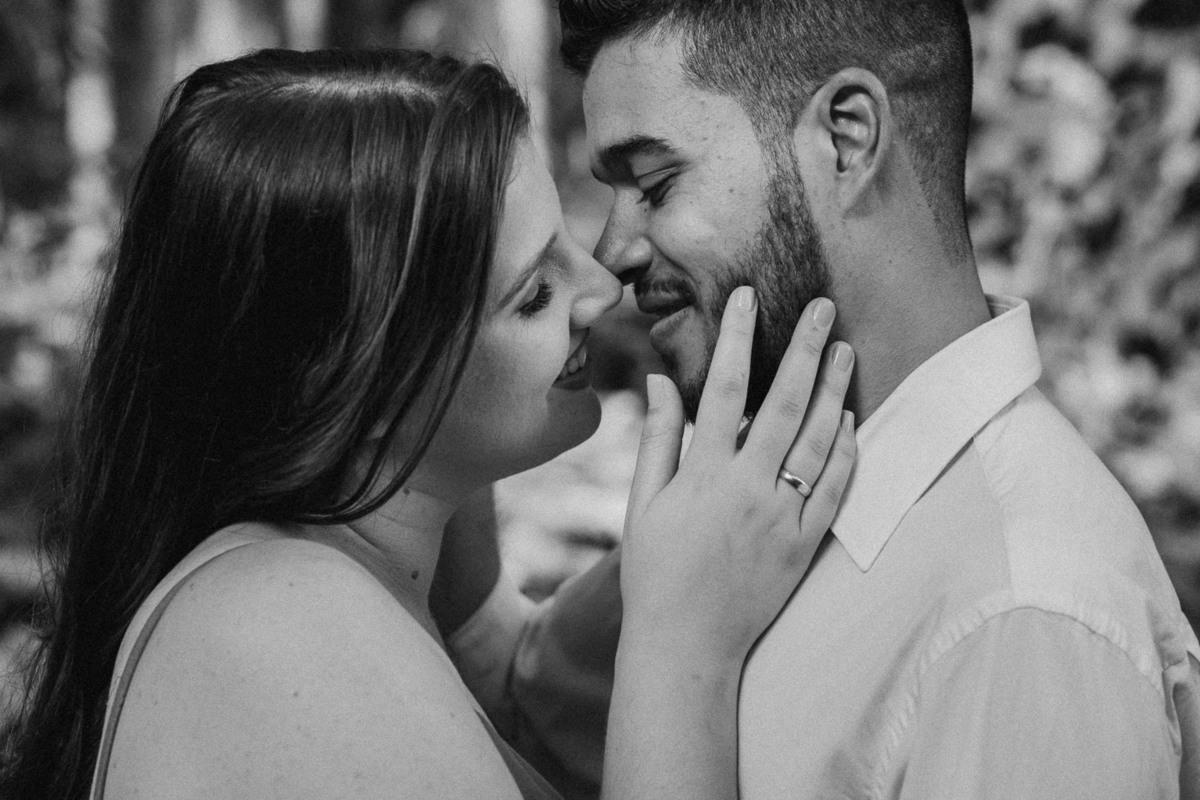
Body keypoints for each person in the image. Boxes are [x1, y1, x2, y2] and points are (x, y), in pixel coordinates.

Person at [0, 48, 860, 800]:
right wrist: (682, 648)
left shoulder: (343, 588)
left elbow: (508, 682)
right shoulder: (278, 622)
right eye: (535, 293)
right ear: (359, 379)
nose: (602, 289)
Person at [440, 1, 1200, 798]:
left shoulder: (1025, 614)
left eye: (657, 184)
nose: (613, 253)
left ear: (847, 138)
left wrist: (679, 657)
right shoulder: (756, 491)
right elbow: (514, 699)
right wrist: (426, 363)